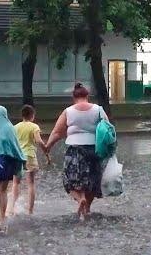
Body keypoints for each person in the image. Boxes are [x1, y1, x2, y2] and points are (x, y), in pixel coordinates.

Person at [46, 82, 108, 220]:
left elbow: (56, 132)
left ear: (74, 98)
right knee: (92, 180)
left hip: (75, 149)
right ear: (87, 96)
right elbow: (108, 130)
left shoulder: (68, 111)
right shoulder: (98, 110)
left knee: (70, 180)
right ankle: (87, 209)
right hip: (94, 149)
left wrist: (47, 147)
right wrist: (110, 149)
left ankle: (80, 199)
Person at [9, 104, 50, 216]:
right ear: (32, 115)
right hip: (29, 156)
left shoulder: (15, 127)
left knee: (16, 183)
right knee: (30, 183)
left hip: (17, 157)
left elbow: (12, 143)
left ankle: (12, 208)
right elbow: (38, 141)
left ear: (22, 115)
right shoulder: (34, 126)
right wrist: (46, 151)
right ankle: (30, 211)